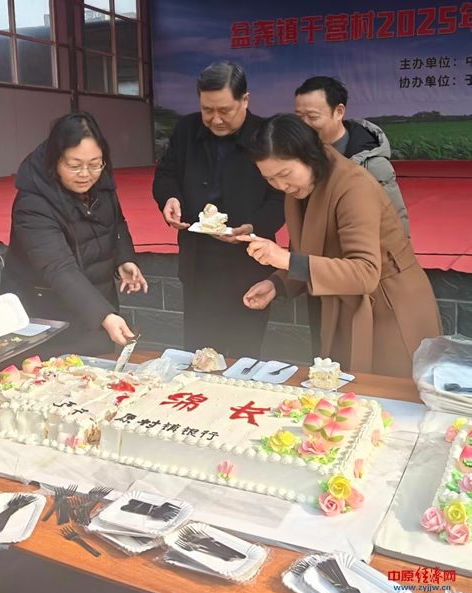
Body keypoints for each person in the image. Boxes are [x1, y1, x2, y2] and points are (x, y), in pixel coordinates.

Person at [237, 114, 442, 378]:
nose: (281, 186)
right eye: (270, 179)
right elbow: (309, 250)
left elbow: (365, 272)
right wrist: (276, 284)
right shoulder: (300, 187)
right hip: (344, 300)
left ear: (309, 155)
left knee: (388, 395)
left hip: (389, 306)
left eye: (284, 174)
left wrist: (285, 260)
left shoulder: (353, 186)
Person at [153, 62, 284, 357]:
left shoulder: (265, 135)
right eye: (207, 110)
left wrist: (253, 226)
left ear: (245, 100)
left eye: (225, 110)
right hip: (198, 263)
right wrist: (169, 198)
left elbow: (280, 199)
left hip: (247, 263)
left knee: (242, 357)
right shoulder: (187, 130)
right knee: (198, 356)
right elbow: (166, 174)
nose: (215, 119)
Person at [1, 111, 148, 358]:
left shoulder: (100, 180)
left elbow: (116, 223)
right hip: (47, 320)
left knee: (97, 373)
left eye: (95, 164)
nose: (85, 174)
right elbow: (58, 267)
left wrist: (124, 259)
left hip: (94, 308)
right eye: (74, 165)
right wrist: (104, 315)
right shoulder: (33, 203)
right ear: (55, 160)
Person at [294, 76, 409, 236]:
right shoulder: (297, 156)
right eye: (299, 117)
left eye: (313, 117)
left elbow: (395, 222)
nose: (304, 125)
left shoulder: (371, 164)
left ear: (339, 112)